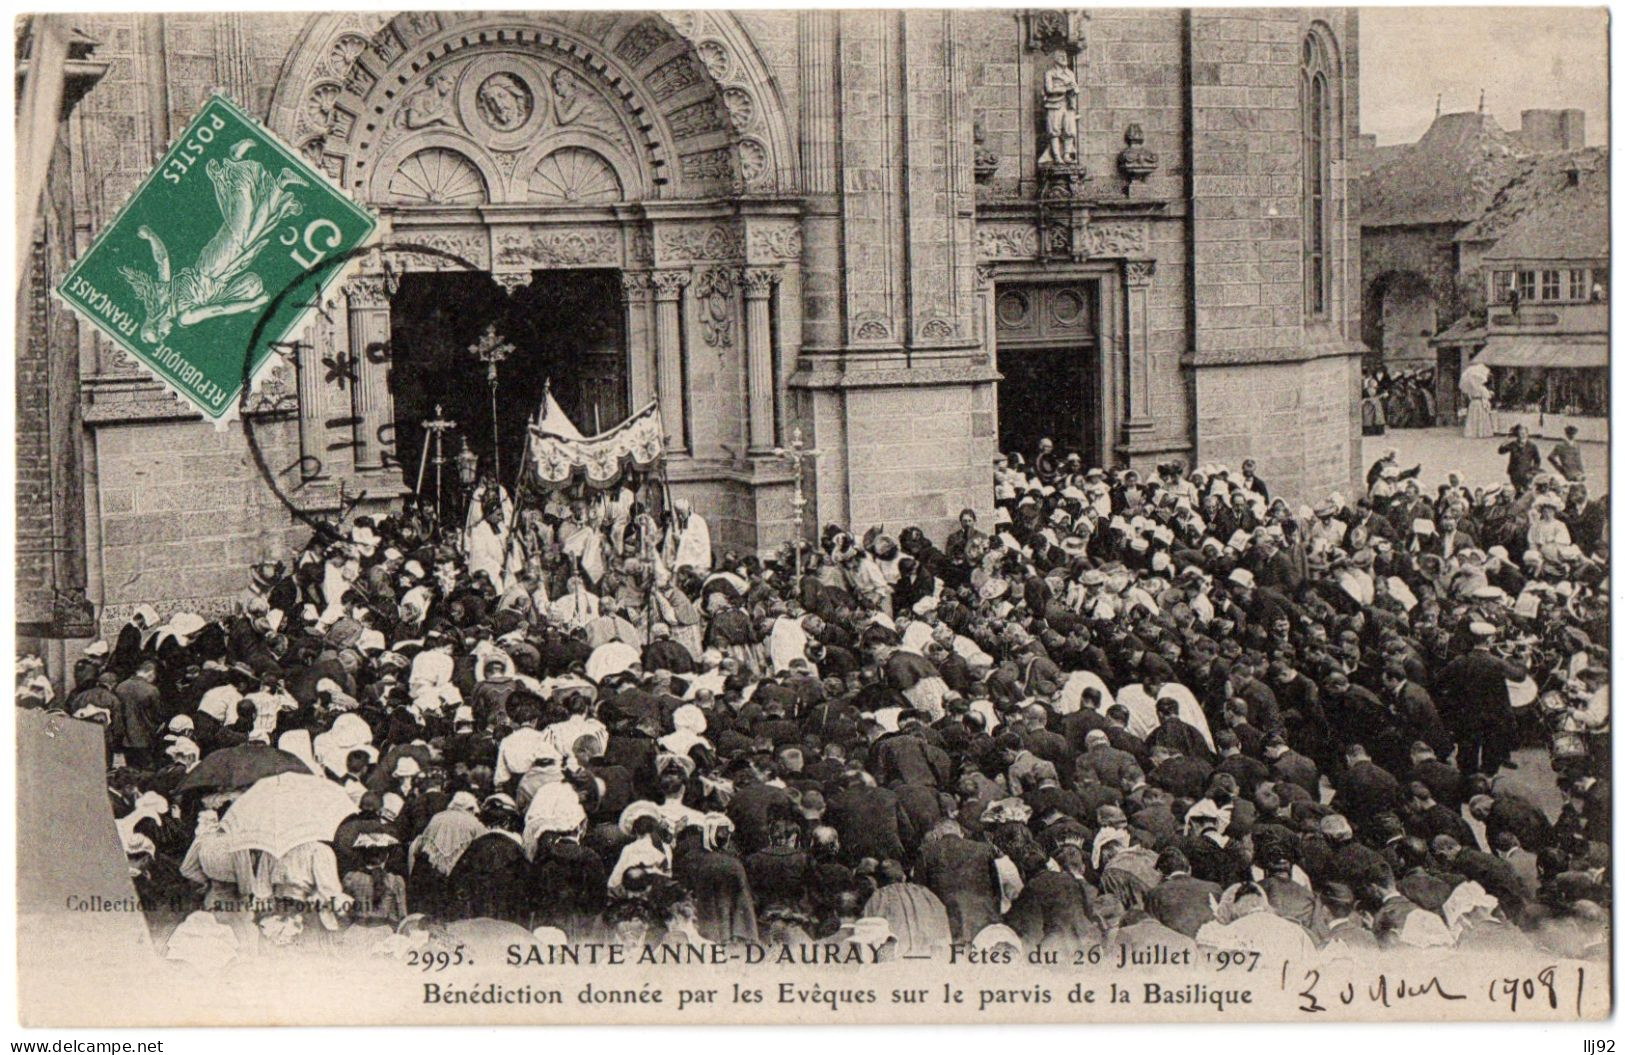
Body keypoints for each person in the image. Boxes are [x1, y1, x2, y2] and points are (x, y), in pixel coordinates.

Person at [1497, 425, 1542, 493]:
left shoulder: (1532, 446)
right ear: (1518, 435)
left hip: (1526, 474)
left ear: (1527, 434)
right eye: (1520, 433)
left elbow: (1537, 461)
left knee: (1526, 492)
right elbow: (1501, 451)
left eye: (1524, 433)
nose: (1522, 435)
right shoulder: (1513, 444)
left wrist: (1533, 472)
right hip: (1514, 474)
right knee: (1516, 492)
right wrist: (1506, 441)